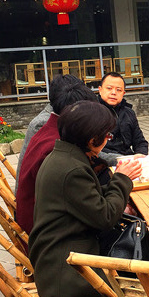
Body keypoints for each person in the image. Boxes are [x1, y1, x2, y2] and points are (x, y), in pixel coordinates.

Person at [28, 101, 142, 297]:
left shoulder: (63, 156)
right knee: (134, 271)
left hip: (59, 250)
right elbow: (105, 216)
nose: (109, 139)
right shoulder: (71, 169)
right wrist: (122, 180)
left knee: (134, 252)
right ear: (92, 140)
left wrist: (116, 189)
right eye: (107, 135)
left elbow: (90, 198)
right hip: (64, 267)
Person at [16, 77, 98, 234]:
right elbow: (99, 214)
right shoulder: (55, 143)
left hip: (44, 214)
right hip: (46, 230)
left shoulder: (53, 128)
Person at [98, 72, 148, 157]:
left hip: (129, 158)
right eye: (109, 88)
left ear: (123, 93)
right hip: (103, 160)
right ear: (100, 90)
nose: (114, 92)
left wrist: (140, 154)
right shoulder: (91, 112)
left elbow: (140, 141)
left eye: (119, 90)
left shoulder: (129, 113)